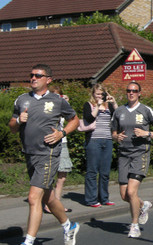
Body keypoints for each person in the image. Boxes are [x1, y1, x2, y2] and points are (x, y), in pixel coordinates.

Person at [8, 64, 80, 245]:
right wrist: (17, 121)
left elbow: (75, 120)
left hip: (48, 153)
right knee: (48, 197)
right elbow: (12, 128)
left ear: (48, 80)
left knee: (33, 198)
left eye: (38, 76)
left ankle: (29, 241)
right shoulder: (22, 99)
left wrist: (61, 133)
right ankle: (68, 226)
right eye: (31, 75)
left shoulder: (58, 100)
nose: (33, 78)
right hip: (29, 153)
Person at [111, 82, 153, 238]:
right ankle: (143, 205)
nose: (131, 93)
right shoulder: (119, 111)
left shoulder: (146, 110)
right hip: (123, 154)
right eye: (128, 91)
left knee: (131, 191)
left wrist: (146, 133)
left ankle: (134, 225)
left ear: (139, 93)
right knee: (124, 195)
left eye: (134, 91)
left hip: (140, 154)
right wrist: (116, 137)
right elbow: (113, 132)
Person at [83, 84, 118, 207]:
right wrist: (97, 106)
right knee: (92, 171)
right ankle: (91, 199)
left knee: (105, 172)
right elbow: (89, 118)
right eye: (97, 93)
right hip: (93, 140)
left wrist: (113, 103)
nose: (99, 96)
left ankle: (104, 198)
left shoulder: (108, 105)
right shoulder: (89, 105)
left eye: (101, 94)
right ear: (93, 94)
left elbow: (118, 116)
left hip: (107, 140)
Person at [43, 86, 73, 214]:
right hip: (50, 142)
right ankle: (48, 204)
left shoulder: (62, 106)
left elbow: (71, 119)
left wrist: (66, 104)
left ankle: (57, 202)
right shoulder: (46, 106)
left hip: (62, 141)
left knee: (62, 175)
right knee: (49, 174)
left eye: (59, 96)